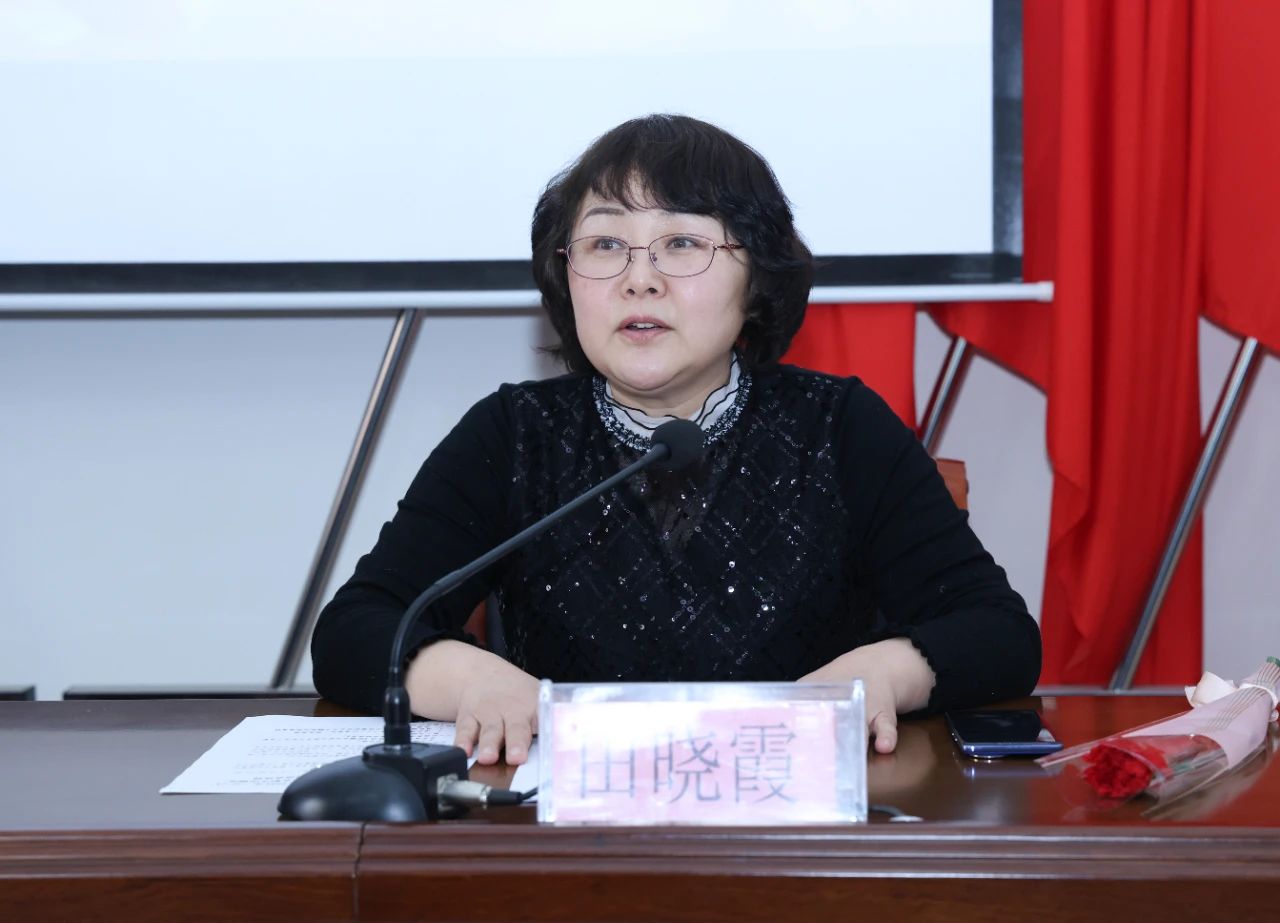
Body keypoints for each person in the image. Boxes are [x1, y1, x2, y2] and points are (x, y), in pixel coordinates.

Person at [311, 114, 1041, 766]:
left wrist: (882, 672)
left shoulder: (839, 427)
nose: (639, 280)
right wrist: (470, 677)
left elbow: (997, 632)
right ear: (566, 276)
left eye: (682, 243)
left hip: (791, 825)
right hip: (569, 834)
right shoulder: (514, 435)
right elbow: (355, 631)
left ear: (756, 277)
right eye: (605, 244)